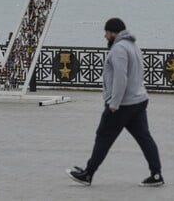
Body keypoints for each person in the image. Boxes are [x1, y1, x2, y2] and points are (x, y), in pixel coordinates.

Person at [66, 17, 163, 187]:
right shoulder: (133, 46)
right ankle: (156, 175)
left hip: (122, 105)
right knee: (144, 138)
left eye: (106, 32)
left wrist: (114, 104)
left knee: (103, 137)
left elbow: (120, 78)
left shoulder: (119, 49)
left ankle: (88, 174)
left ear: (113, 33)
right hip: (138, 100)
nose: (105, 36)